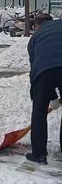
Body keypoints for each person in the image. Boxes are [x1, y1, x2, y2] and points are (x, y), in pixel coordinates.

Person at [26, 14, 62, 164]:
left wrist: (50, 96)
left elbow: (37, 67)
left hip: (43, 70)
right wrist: (54, 97)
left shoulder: (35, 38)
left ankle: (39, 154)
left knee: (39, 111)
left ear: (36, 26)